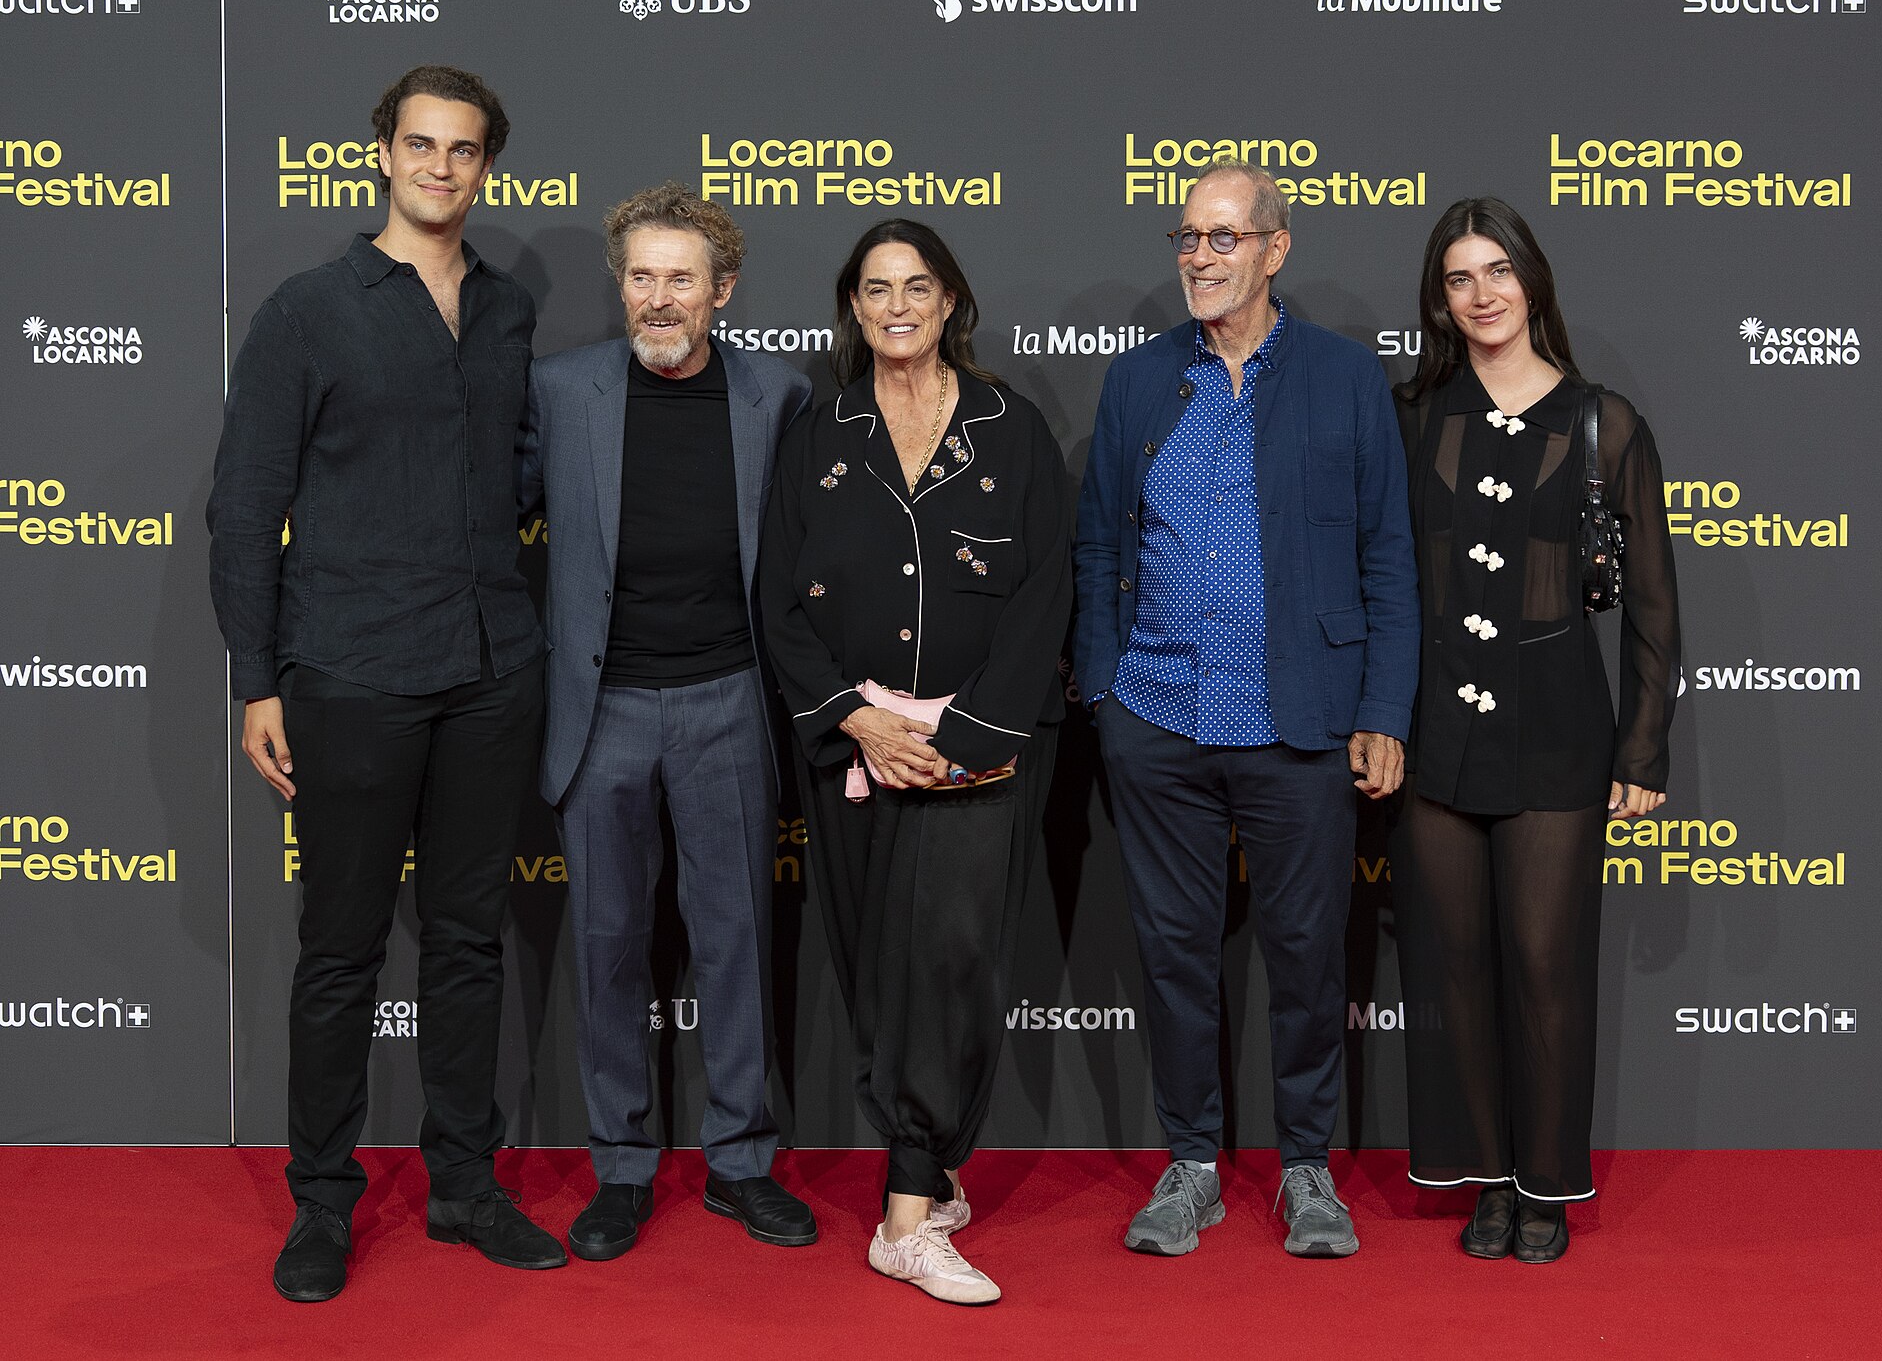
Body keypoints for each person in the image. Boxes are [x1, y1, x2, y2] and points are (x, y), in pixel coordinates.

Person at [208, 65, 564, 1303]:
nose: (440, 168)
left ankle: (464, 1185)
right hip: (349, 672)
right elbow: (246, 505)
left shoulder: (512, 312)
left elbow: (520, 470)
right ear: (381, 154)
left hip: (491, 671)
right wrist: (260, 679)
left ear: (485, 168)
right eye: (421, 144)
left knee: (469, 942)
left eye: (465, 150)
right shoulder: (309, 309)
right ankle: (321, 1206)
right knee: (342, 950)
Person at [1073, 162, 1418, 1259]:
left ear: (1275, 249)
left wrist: (1385, 708)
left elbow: (1388, 560)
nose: (1200, 257)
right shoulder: (1138, 381)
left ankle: (1308, 1167)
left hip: (1301, 724)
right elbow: (1095, 549)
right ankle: (1192, 1163)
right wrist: (1100, 696)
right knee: (1176, 955)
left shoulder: (1344, 379)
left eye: (1224, 238)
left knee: (1307, 954)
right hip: (1158, 719)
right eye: (1187, 237)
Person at [760, 220, 1071, 1305]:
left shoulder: (1013, 428)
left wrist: (971, 737)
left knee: (952, 957)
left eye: (918, 286)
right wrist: (854, 716)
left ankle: (903, 1216)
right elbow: (778, 601)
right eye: (876, 288)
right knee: (875, 966)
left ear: (951, 303)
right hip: (855, 750)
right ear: (852, 307)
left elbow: (1046, 595)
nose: (898, 305)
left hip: (976, 752)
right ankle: (929, 1168)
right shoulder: (817, 432)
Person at [517, 181, 816, 1260]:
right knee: (606, 945)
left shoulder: (777, 398)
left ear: (721, 292)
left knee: (736, 940)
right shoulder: (559, 392)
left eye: (680, 278)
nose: (657, 297)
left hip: (729, 700)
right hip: (597, 713)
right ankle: (622, 1169)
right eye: (640, 276)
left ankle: (741, 1162)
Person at [1390, 196, 1680, 1264]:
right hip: (1435, 732)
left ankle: (1544, 1181)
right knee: (1452, 964)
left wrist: (1643, 750)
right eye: (1461, 277)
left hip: (1562, 730)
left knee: (1545, 960)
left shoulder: (1606, 423)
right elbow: (1385, 583)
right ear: (1441, 299)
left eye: (1500, 270)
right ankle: (1484, 1182)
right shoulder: (1414, 416)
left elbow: (1654, 602)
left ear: (1534, 280)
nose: (1483, 294)